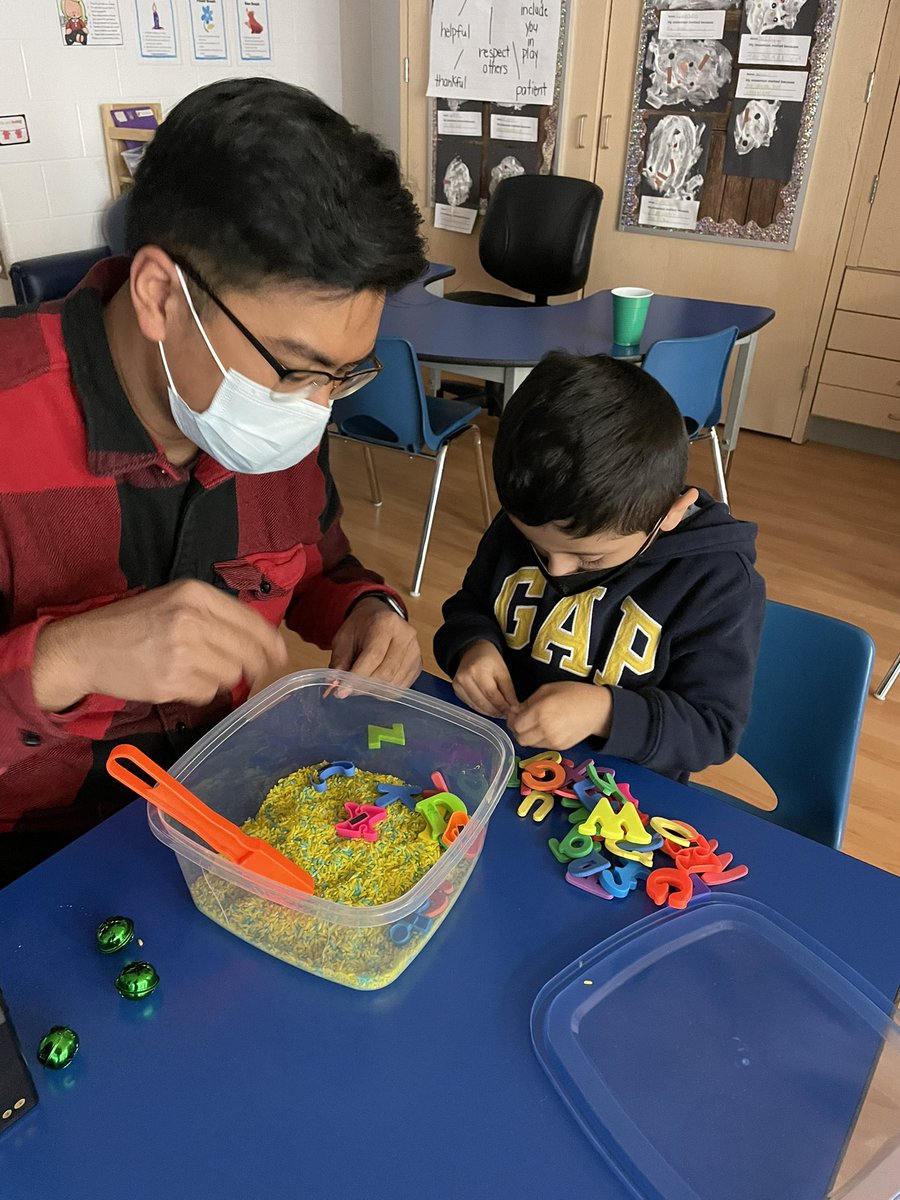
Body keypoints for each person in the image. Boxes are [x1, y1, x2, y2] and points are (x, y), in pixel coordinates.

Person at [0, 78, 427, 884]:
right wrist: (63, 661)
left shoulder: (277, 412)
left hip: (231, 817)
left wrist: (367, 610)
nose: (314, 408)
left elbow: (317, 565)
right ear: (160, 294)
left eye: (342, 375)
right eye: (298, 370)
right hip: (37, 865)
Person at [434, 352, 766, 780]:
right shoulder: (540, 516)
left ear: (671, 512)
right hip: (502, 760)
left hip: (618, 793)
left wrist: (604, 712)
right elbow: (471, 606)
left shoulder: (717, 582)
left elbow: (712, 730)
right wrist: (471, 646)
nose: (555, 570)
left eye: (590, 558)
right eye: (537, 546)